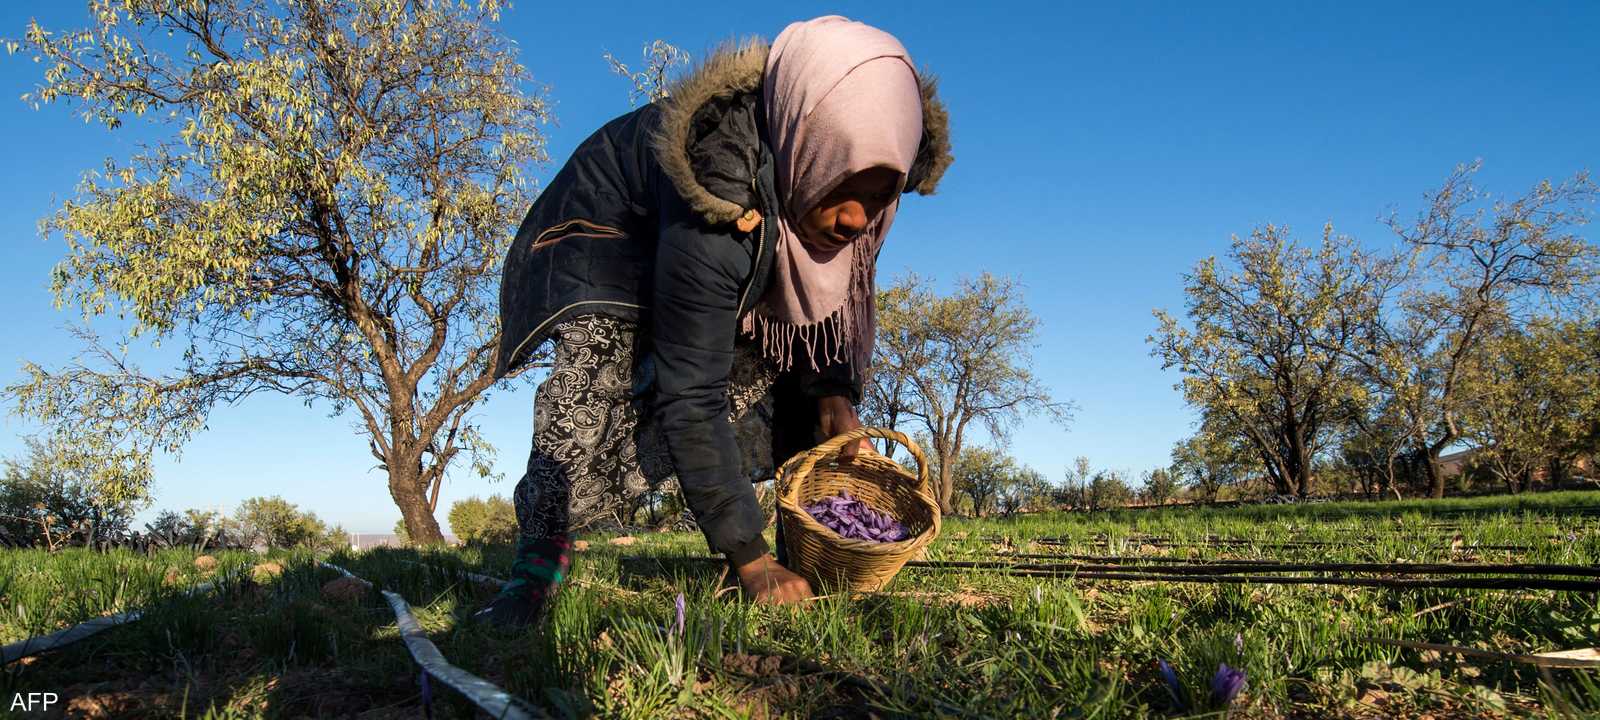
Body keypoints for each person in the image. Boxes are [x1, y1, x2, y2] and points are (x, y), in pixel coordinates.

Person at [476, 15, 951, 627]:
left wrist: (836, 403)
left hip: (708, 237)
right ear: (811, 147)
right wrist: (750, 561)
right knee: (590, 394)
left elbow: (821, 315)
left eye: (880, 193)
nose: (860, 218)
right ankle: (540, 560)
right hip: (602, 239)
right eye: (846, 188)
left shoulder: (852, 187)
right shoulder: (721, 191)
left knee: (770, 367)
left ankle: (798, 548)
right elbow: (691, 387)